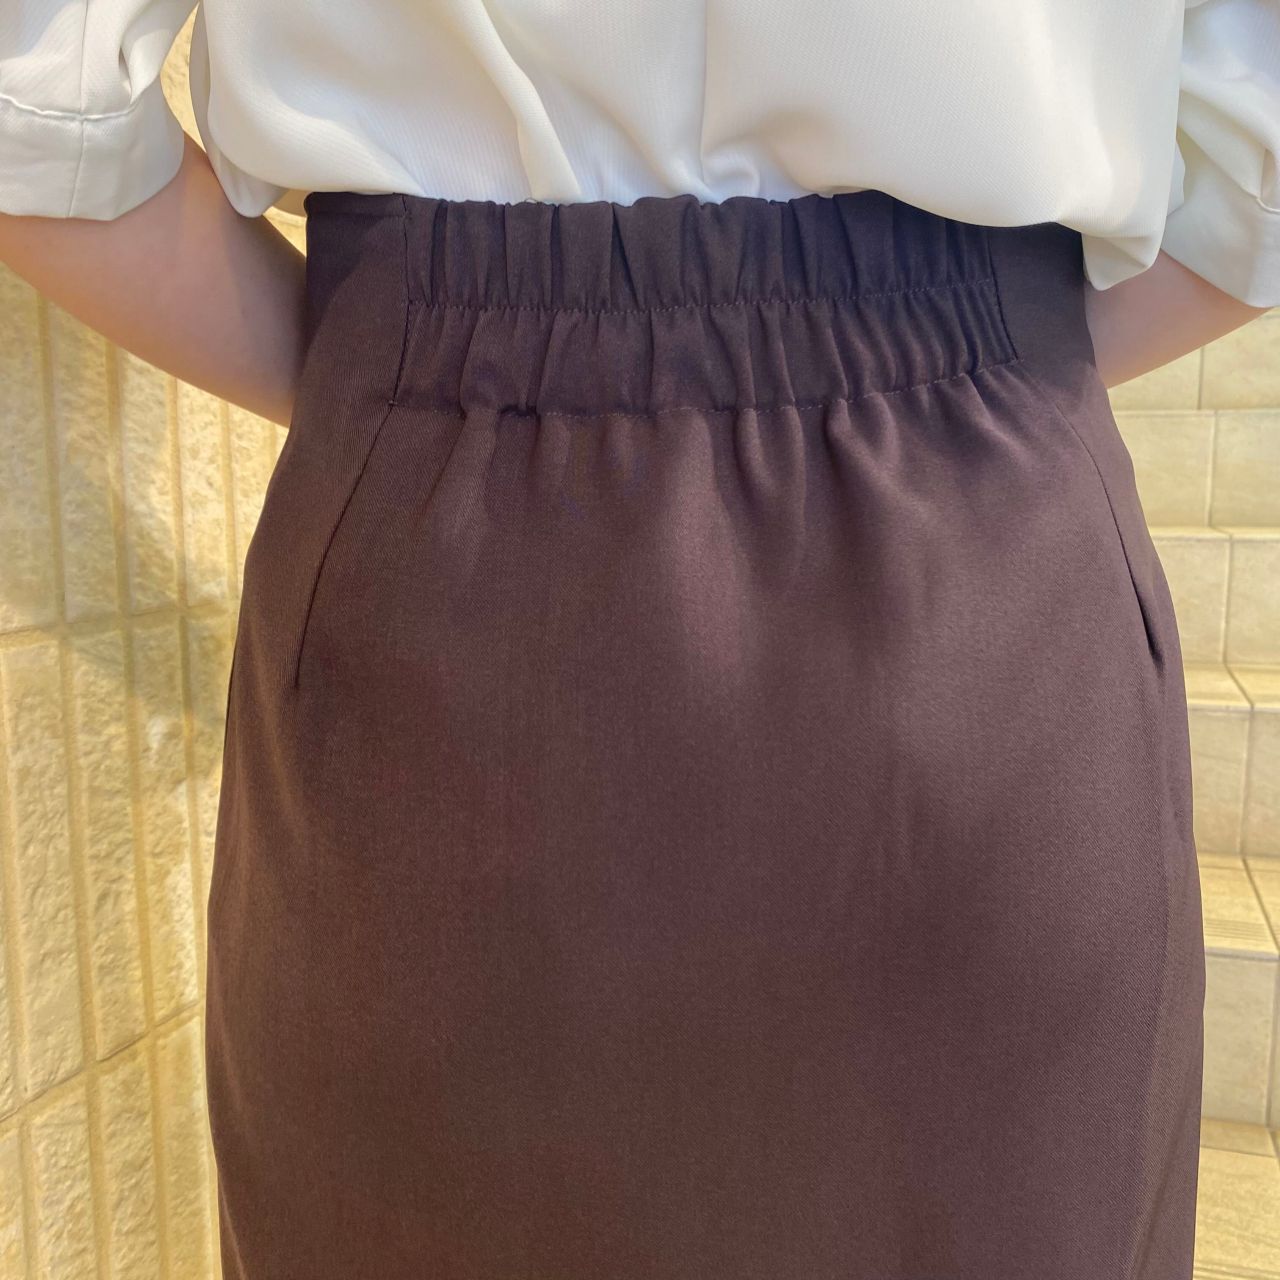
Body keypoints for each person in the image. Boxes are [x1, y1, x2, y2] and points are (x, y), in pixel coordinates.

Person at [1, 2, 1276, 1277]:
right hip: (987, 584)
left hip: (440, 557)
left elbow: (38, 127)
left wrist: (392, 381)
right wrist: (991, 366)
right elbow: (1253, 188)